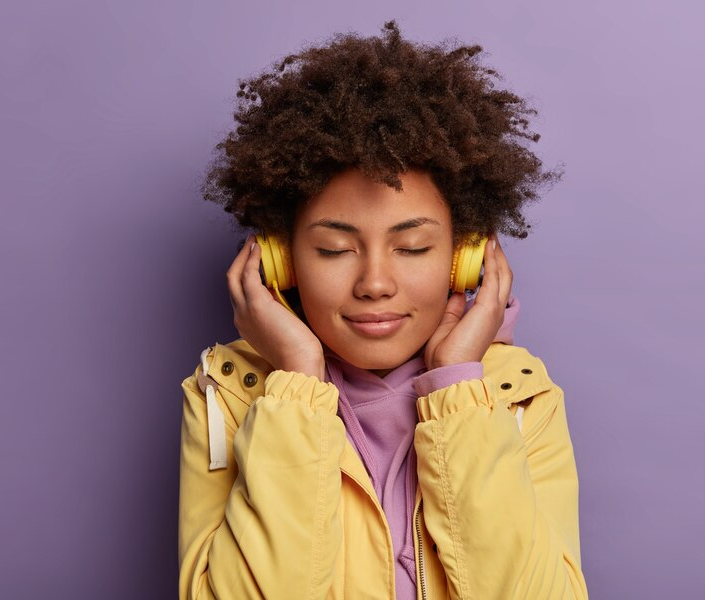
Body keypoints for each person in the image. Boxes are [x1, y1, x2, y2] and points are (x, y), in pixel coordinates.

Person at [178, 20, 588, 599]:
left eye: (413, 247)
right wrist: (295, 381)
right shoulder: (229, 396)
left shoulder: (522, 399)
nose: (374, 282)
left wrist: (458, 389)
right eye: (334, 249)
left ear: (464, 258)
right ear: (280, 260)